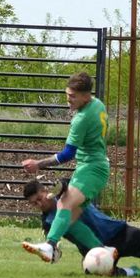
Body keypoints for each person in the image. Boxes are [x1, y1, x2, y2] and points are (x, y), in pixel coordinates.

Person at [20, 71, 110, 263]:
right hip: (91, 166)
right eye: (67, 94)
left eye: (73, 96)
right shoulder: (98, 104)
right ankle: (103, 253)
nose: (68, 100)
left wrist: (38, 164)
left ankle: (50, 246)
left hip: (93, 169)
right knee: (70, 219)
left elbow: (68, 154)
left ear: (86, 96)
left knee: (64, 204)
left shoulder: (81, 119)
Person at [22, 179, 140, 276]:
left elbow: (66, 182)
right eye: (34, 204)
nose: (39, 205)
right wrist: (53, 253)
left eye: (40, 199)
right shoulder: (47, 221)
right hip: (95, 251)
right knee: (101, 273)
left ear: (45, 191)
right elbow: (52, 251)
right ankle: (134, 272)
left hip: (116, 231)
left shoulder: (65, 194)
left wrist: (61, 184)